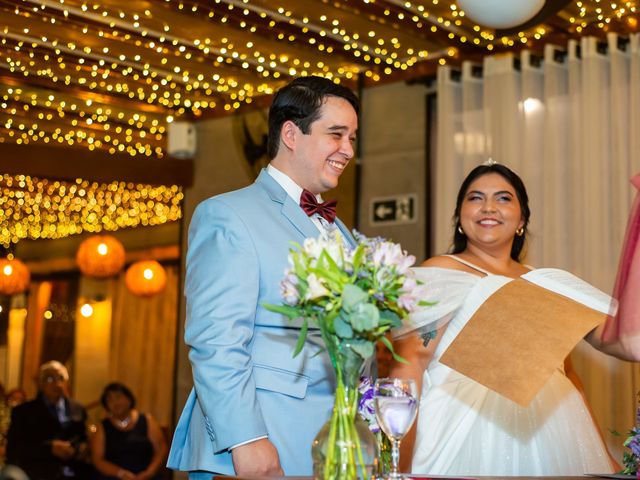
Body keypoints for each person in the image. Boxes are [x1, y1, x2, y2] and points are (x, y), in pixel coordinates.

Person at [390, 162, 640, 476]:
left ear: (522, 219)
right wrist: (401, 458)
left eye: (504, 198)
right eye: (475, 198)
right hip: (462, 433)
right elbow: (410, 363)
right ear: (459, 216)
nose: (489, 207)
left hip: (556, 431)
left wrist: (602, 455)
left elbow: (596, 358)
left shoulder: (550, 282)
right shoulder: (441, 271)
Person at [167, 76, 359, 477]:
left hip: (332, 446)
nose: (348, 150)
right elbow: (216, 339)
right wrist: (247, 440)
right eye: (336, 135)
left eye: (352, 138)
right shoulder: (229, 214)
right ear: (291, 134)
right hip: (259, 444)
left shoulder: (341, 231)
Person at [6, 361, 92, 480]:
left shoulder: (78, 408)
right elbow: (14, 449)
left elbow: (83, 438)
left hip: (74, 471)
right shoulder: (23, 412)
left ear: (66, 382)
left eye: (60, 378)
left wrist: (81, 448)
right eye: (50, 379)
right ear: (41, 383)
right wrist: (49, 449)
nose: (57, 383)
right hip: (38, 472)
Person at [91, 382, 167, 480]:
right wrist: (120, 473)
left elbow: (161, 449)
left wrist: (149, 472)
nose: (115, 402)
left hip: (146, 475)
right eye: (109, 400)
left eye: (118, 397)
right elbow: (97, 459)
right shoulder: (102, 427)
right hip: (114, 476)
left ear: (129, 399)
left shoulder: (147, 420)